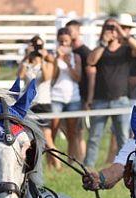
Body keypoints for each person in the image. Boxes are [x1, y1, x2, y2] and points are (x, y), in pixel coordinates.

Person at [83, 17, 136, 168]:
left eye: (114, 27)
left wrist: (123, 34)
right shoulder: (100, 49)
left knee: (123, 137)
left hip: (121, 99)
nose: (112, 30)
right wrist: (103, 43)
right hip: (100, 100)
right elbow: (91, 61)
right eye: (108, 27)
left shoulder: (126, 50)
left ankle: (125, 166)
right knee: (94, 136)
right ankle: (88, 167)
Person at [18, 35, 59, 170]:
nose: (36, 49)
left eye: (39, 46)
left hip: (43, 103)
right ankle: (43, 165)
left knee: (47, 138)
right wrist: (26, 57)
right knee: (30, 138)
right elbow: (19, 77)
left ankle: (58, 165)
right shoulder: (27, 65)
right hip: (30, 104)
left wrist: (42, 59)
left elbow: (46, 78)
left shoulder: (47, 64)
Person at [50, 28, 84, 162]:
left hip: (73, 98)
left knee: (72, 132)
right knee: (53, 130)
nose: (64, 44)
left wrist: (68, 63)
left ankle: (71, 160)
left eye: (66, 41)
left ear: (71, 42)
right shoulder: (52, 57)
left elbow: (78, 77)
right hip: (56, 97)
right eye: (61, 41)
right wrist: (57, 60)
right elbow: (52, 77)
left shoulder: (76, 57)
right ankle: (52, 161)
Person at [66, 20, 92, 161]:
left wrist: (88, 99)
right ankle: (73, 157)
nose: (69, 34)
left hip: (82, 95)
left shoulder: (85, 52)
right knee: (72, 131)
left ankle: (80, 158)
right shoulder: (69, 52)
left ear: (78, 31)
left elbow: (89, 77)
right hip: (71, 95)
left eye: (71, 30)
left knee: (79, 131)